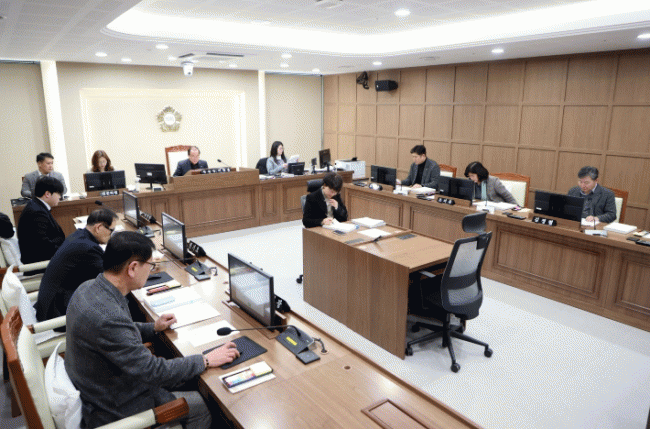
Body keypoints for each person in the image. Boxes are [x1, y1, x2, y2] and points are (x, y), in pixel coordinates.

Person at [65, 231, 240, 429]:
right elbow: (153, 371)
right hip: (116, 406)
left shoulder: (89, 288)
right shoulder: (109, 317)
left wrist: (154, 327)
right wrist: (205, 359)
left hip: (103, 386)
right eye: (150, 265)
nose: (151, 270)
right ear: (133, 268)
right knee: (203, 406)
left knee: (191, 378)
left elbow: (119, 332)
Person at [34, 208, 118, 324]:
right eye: (111, 230)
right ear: (98, 227)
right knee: (118, 301)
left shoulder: (79, 235)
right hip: (58, 311)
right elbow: (109, 278)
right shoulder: (88, 248)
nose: (111, 235)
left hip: (51, 301)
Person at [17, 176, 65, 265]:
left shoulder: (37, 206)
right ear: (47, 194)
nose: (60, 197)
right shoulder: (37, 212)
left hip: (46, 259)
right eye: (58, 193)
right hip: (41, 264)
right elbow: (43, 246)